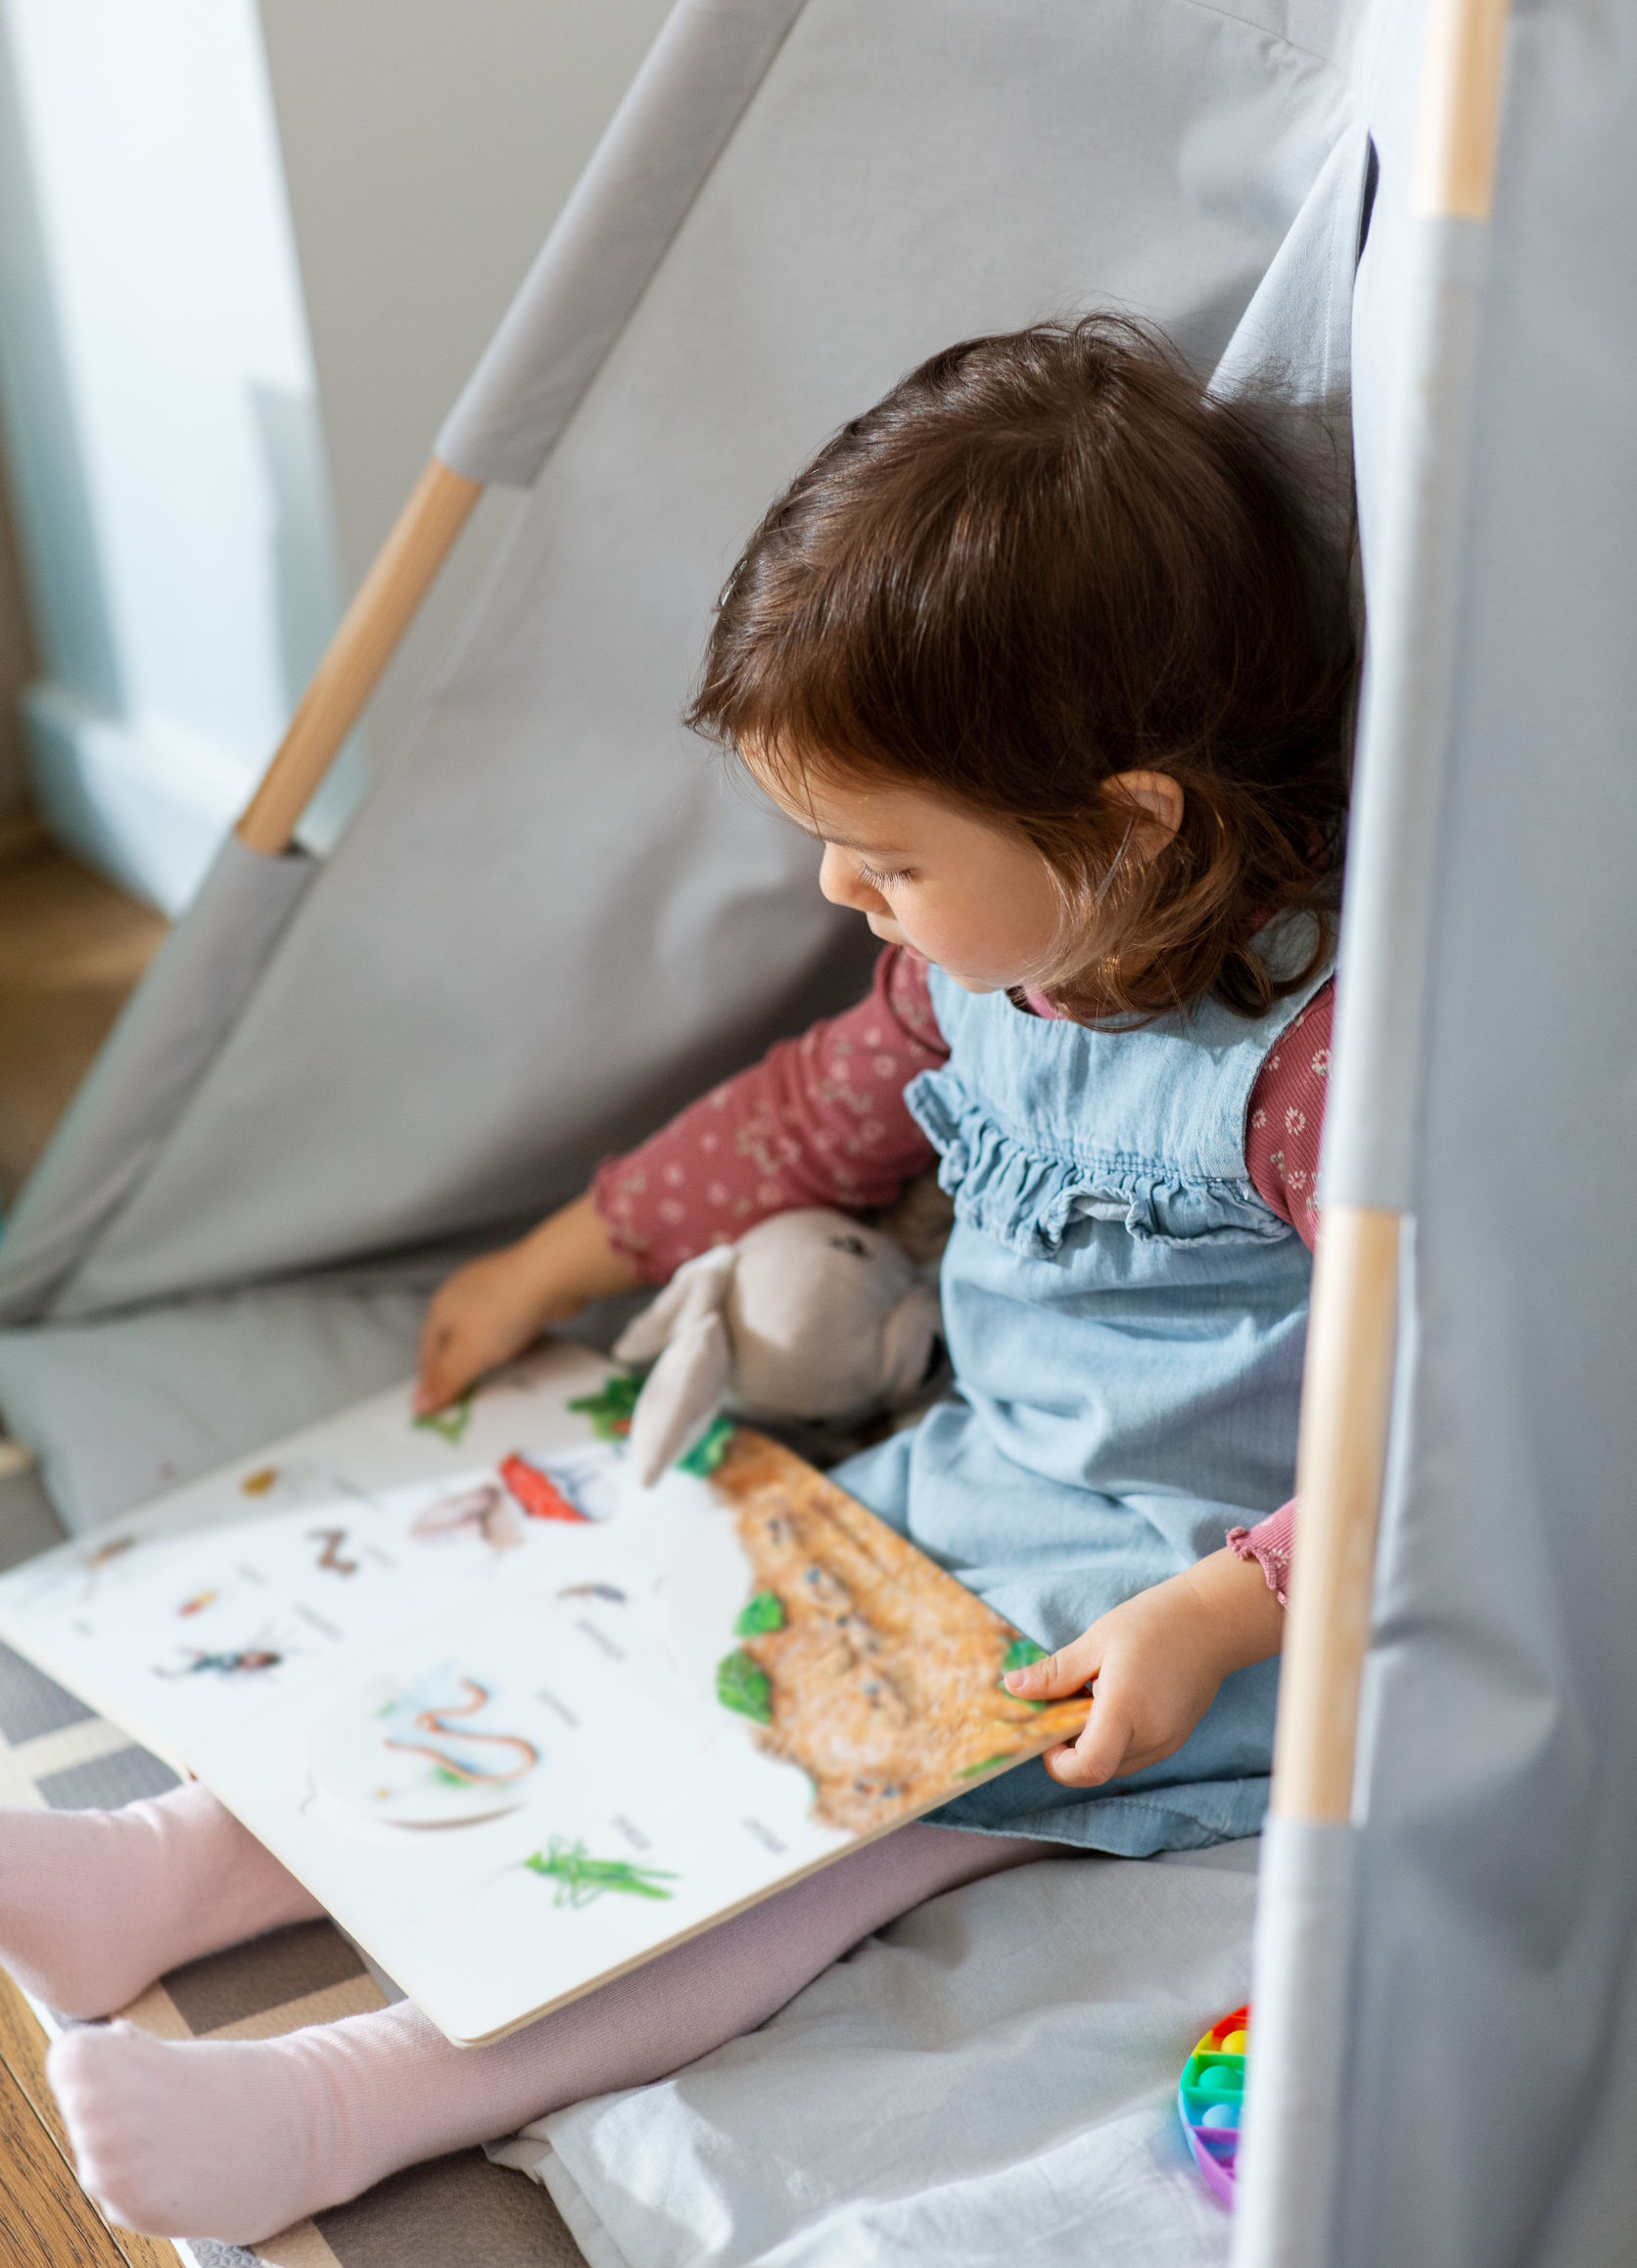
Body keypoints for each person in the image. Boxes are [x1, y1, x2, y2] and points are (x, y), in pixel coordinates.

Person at [9, 318, 1350, 2244]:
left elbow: (1451, 1423)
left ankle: (338, 2105)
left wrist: (1221, 1614)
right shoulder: (982, 967)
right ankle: (161, 1865)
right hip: (959, 1484)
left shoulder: (1315, 1066)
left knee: (780, 1841)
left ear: (1130, 827)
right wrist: (566, 1249)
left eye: (879, 858)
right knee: (611, 1620)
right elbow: (807, 1116)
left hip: (1175, 1596)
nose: (837, 899)